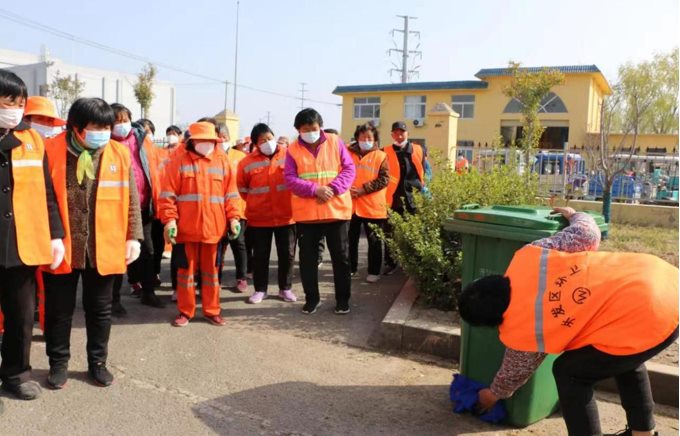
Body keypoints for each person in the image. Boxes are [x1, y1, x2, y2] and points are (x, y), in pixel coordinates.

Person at [459, 207, 678, 436]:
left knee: (569, 373)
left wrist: (491, 394)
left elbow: (512, 375)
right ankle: (643, 433)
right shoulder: (530, 255)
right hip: (664, 281)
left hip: (651, 315)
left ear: (494, 321)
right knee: (623, 355)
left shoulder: (522, 332)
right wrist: (575, 214)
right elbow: (588, 235)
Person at [43, 97, 143, 389]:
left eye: (106, 126)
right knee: (59, 311)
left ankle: (97, 362)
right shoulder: (51, 150)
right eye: (95, 126)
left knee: (99, 310)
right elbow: (43, 198)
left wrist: (133, 236)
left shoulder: (118, 154)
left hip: (103, 245)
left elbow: (132, 200)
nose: (102, 132)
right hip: (62, 245)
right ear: (76, 126)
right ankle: (58, 363)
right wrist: (48, 235)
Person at [0, 71, 65, 400]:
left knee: (21, 316)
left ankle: (16, 373)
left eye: (19, 102)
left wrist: (56, 235)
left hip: (20, 244)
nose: (15, 108)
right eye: (8, 101)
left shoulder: (32, 140)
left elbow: (48, 193)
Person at [158, 121, 241, 327]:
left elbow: (231, 195)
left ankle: (212, 310)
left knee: (212, 274)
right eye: (202, 141)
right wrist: (169, 221)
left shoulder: (223, 162)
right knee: (185, 274)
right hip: (186, 231)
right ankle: (186, 311)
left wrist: (234, 218)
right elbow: (167, 196)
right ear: (192, 141)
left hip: (214, 231)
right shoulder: (178, 161)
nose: (207, 144)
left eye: (211, 141)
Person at [284, 108, 355, 315]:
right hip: (308, 215)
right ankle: (311, 299)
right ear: (298, 130)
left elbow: (349, 169)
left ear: (320, 126)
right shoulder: (292, 149)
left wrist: (332, 189)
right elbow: (290, 178)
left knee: (341, 259)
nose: (311, 132)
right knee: (308, 261)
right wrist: (316, 190)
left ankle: (343, 300)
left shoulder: (334, 141)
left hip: (336, 211)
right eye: (306, 129)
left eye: (314, 128)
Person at [110, 104, 164, 315]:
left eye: (124, 120)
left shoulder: (142, 141)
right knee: (116, 255)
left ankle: (148, 292)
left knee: (148, 252)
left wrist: (157, 202)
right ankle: (113, 301)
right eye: (115, 121)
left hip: (143, 206)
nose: (120, 125)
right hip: (116, 209)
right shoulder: (105, 143)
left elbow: (155, 171)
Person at [237, 123, 296, 304]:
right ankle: (260, 290)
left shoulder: (290, 156)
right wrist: (257, 202)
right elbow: (242, 189)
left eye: (269, 138)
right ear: (255, 143)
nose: (267, 142)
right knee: (260, 256)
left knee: (287, 254)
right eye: (262, 140)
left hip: (287, 216)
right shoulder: (246, 163)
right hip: (259, 217)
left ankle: (285, 288)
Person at [197, 117, 250, 292]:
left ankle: (241, 277)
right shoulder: (208, 157)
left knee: (239, 244)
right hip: (214, 210)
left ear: (225, 137)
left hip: (237, 208)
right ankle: (215, 279)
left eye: (217, 137)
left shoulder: (240, 157)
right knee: (217, 247)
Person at [382, 121, 428, 275]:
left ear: (407, 133)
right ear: (391, 134)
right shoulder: (385, 151)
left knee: (415, 232)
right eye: (395, 133)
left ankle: (414, 263)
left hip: (413, 198)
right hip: (393, 200)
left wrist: (423, 190)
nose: (399, 136)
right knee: (390, 234)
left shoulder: (419, 150)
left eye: (402, 132)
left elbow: (424, 171)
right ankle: (391, 263)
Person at [347, 123, 389, 283]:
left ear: (375, 139)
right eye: (363, 137)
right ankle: (351, 268)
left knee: (375, 241)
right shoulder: (347, 153)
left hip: (373, 207)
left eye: (370, 138)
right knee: (350, 240)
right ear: (357, 137)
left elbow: (384, 179)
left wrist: (363, 190)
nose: (366, 140)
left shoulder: (381, 155)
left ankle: (373, 271)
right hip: (350, 205)